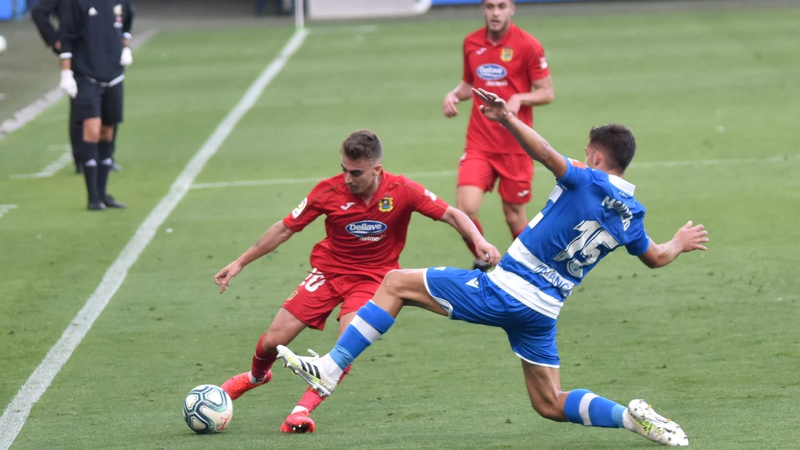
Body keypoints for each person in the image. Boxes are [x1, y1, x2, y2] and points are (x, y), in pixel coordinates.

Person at [277, 89, 709, 447]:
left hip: (507, 290)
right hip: (543, 313)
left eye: (585, 153)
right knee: (549, 403)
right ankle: (632, 420)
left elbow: (543, 152)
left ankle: (330, 370)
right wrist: (679, 242)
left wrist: (504, 118)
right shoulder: (631, 213)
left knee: (393, 282)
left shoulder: (585, 177)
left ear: (596, 157)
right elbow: (655, 256)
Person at [214, 129, 500, 433]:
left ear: (376, 169)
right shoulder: (327, 191)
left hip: (374, 280)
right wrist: (239, 262)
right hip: (328, 273)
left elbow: (454, 215)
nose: (348, 178)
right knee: (274, 340)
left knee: (347, 343)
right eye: (344, 170)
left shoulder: (402, 190)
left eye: (356, 172)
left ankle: (301, 411)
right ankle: (256, 377)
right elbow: (284, 228)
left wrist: (478, 240)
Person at [443, 0, 554, 271]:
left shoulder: (528, 45)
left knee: (514, 216)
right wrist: (454, 94)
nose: (495, 13)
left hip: (516, 145)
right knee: (464, 209)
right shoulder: (471, 42)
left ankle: (535, 270)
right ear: (483, 8)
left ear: (512, 9)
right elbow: (471, 83)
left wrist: (519, 97)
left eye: (501, 6)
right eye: (490, 6)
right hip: (479, 143)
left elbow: (546, 92)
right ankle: (487, 259)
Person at [58, 0, 134, 210]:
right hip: (87, 76)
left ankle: (103, 193)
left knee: (108, 132)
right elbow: (67, 36)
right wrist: (66, 72)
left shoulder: (121, 2)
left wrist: (126, 48)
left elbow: (127, 25)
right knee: (92, 130)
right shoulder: (78, 4)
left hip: (114, 75)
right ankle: (92, 197)